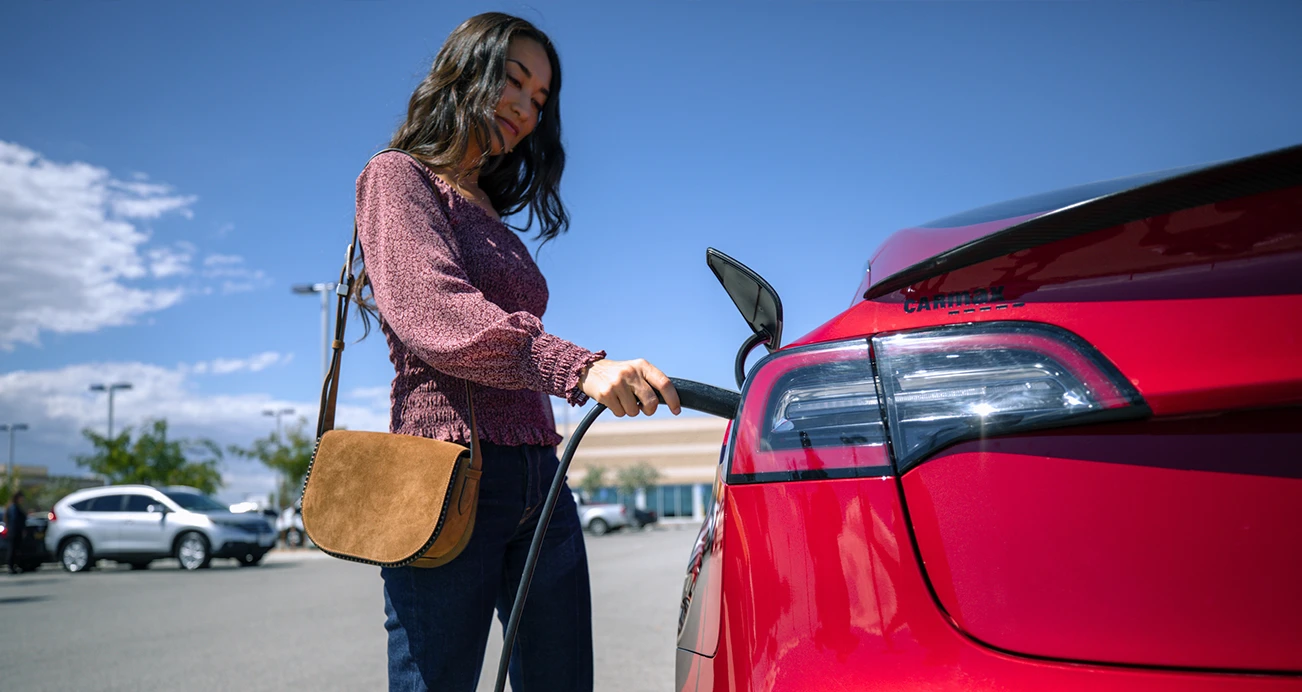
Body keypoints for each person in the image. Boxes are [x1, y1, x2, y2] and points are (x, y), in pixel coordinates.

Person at [349, 12, 681, 692]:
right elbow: (435, 313)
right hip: (448, 476)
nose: (527, 109)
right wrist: (580, 366)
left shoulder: (489, 213)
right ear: (468, 70)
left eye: (541, 99)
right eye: (515, 81)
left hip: (540, 477)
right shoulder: (397, 177)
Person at [5, 490, 26, 574]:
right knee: (13, 550)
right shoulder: (14, 508)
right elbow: (15, 520)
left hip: (14, 531)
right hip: (15, 532)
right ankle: (11, 566)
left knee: (14, 549)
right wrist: (21, 530)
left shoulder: (13, 507)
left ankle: (14, 566)